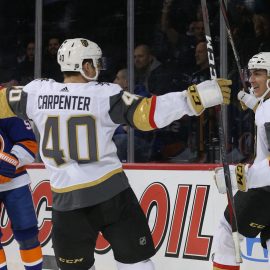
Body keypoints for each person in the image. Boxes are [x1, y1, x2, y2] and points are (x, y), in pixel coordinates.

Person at [0, 38, 231, 270]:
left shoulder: (35, 93)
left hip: (66, 204)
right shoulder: (105, 95)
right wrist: (194, 98)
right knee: (137, 264)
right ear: (85, 66)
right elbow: (148, 115)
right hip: (113, 197)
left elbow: (2, 99)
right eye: (96, 63)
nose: (99, 67)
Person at [213, 52, 270, 270]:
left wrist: (241, 175)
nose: (251, 80)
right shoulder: (266, 106)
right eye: (250, 74)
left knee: (228, 230)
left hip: (266, 190)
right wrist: (256, 104)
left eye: (258, 74)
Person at [0, 95, 42, 269]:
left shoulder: (4, 101)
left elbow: (28, 142)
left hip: (15, 182)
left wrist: (12, 160)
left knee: (27, 234)